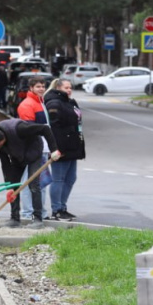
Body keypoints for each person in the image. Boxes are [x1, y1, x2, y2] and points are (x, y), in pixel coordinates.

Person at [0, 119, 61, 229]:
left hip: (34, 153)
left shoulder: (20, 129)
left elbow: (45, 129)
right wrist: (8, 186)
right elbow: (5, 164)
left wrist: (54, 150)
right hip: (18, 157)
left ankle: (38, 219)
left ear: (2, 139)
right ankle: (14, 219)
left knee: (33, 185)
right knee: (13, 186)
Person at [43, 78, 84, 221]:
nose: (69, 90)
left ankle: (63, 207)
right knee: (59, 179)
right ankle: (57, 210)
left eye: (70, 87)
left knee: (71, 178)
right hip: (61, 148)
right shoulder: (54, 103)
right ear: (58, 88)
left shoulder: (70, 102)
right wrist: (56, 148)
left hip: (73, 146)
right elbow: (54, 128)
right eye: (66, 87)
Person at [16, 76, 50, 220]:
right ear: (31, 88)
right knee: (28, 181)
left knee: (41, 182)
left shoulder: (41, 102)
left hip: (43, 149)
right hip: (34, 149)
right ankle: (27, 213)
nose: (41, 89)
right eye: (38, 86)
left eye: (43, 86)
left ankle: (40, 212)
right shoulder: (27, 104)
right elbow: (29, 130)